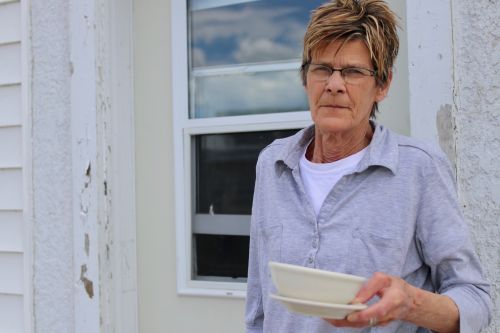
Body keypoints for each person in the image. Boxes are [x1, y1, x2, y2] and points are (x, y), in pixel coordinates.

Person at [245, 0, 492, 332]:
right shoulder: (272, 164)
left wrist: (411, 304)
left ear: (383, 85)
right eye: (322, 69)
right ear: (305, 79)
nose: (334, 84)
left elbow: (475, 299)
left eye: (353, 71)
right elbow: (259, 302)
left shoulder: (418, 168)